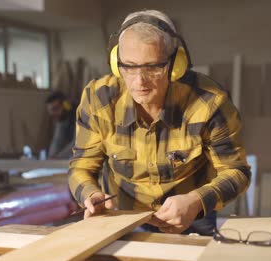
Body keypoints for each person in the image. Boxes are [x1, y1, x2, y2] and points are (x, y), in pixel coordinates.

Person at [68, 10, 251, 236]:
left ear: (175, 65)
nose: (139, 81)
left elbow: (237, 171)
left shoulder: (210, 103)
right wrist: (89, 193)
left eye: (153, 67)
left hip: (193, 215)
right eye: (129, 66)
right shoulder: (99, 100)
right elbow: (81, 167)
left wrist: (195, 201)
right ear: (116, 64)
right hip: (124, 216)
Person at [45, 91, 76, 159]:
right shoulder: (62, 119)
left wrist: (58, 157)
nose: (52, 114)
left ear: (66, 105)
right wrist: (51, 157)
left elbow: (77, 143)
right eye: (50, 111)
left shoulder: (80, 115)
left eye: (55, 109)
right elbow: (57, 141)